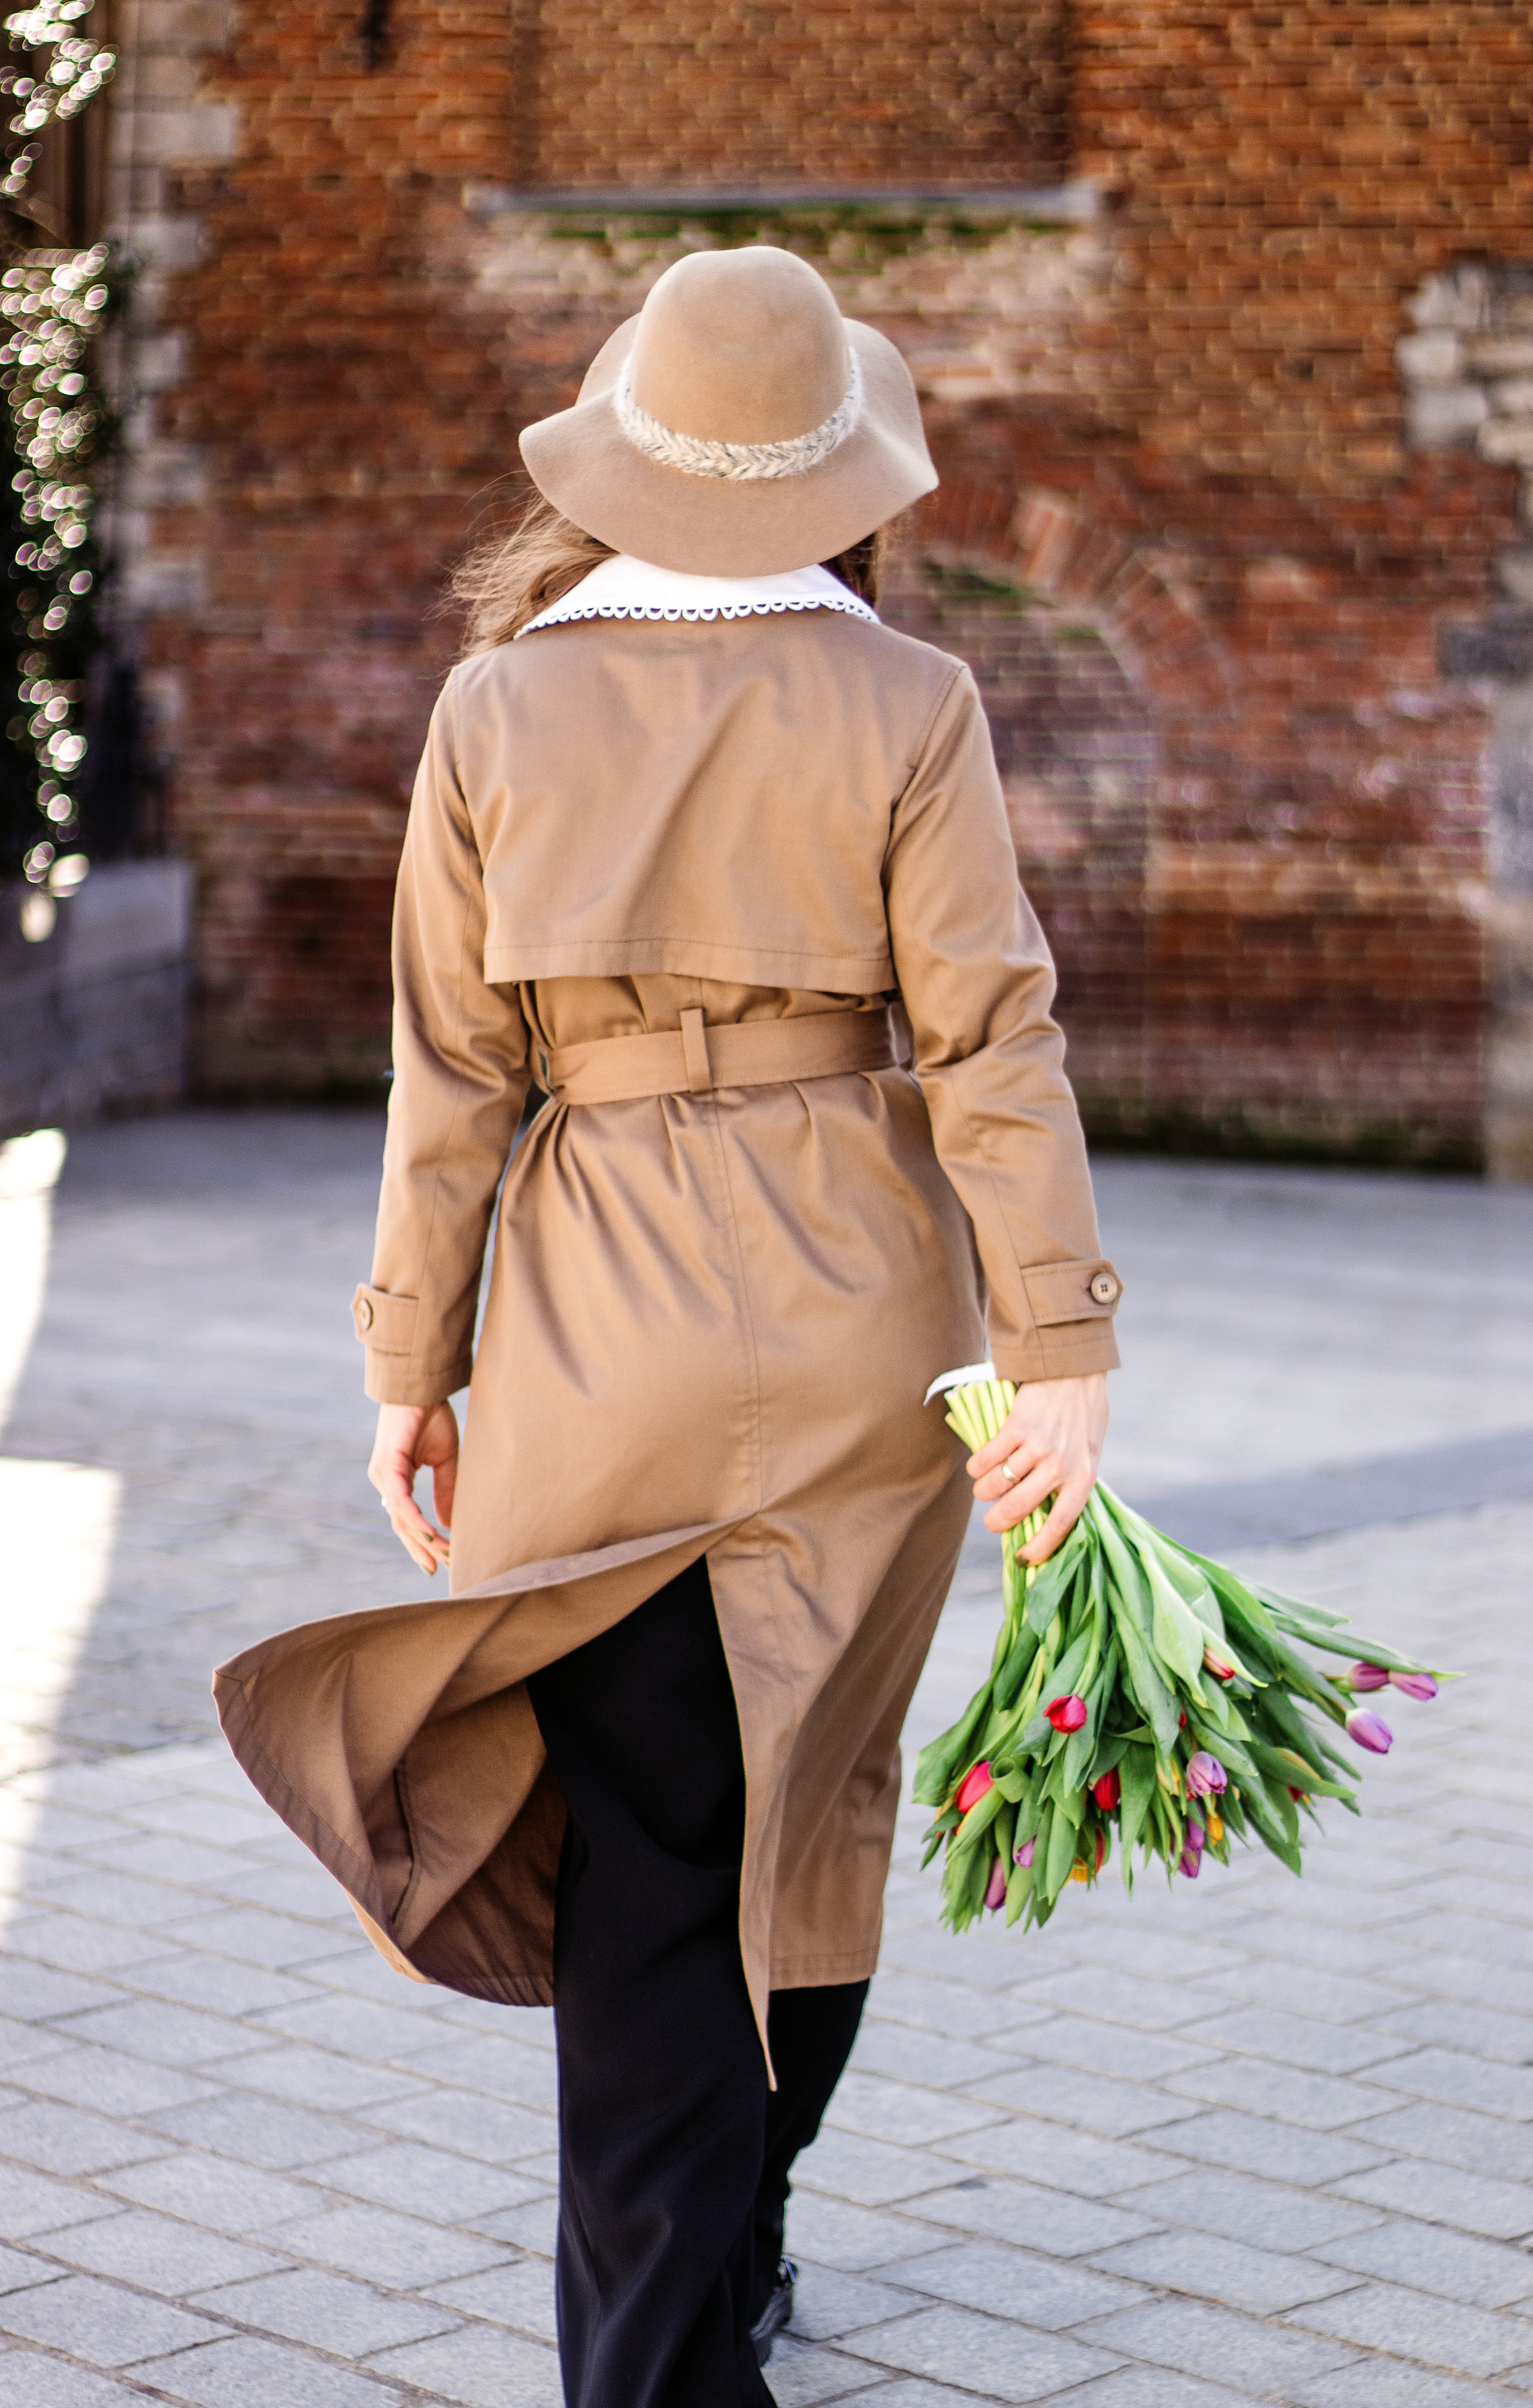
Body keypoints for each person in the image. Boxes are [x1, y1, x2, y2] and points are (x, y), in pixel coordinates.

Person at [214, 245, 1121, 2408]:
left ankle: (660, 2360)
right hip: (859, 1314)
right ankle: (750, 2241)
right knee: (809, 1808)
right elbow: (996, 1041)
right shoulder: (911, 700)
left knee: (649, 1861)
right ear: (838, 479)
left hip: (594, 1317)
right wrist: (1064, 1346)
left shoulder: (495, 708)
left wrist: (406, 1367)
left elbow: (451, 1085)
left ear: (621, 468)